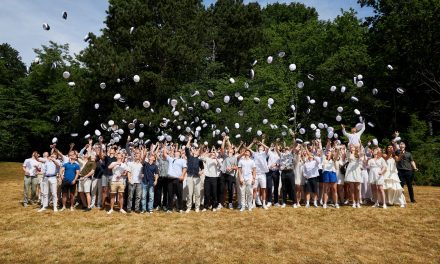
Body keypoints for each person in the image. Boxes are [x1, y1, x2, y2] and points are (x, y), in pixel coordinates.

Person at [163, 145, 187, 213]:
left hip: (178, 179)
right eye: (175, 152)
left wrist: (182, 176)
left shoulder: (182, 160)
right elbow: (164, 154)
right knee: (170, 194)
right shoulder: (171, 159)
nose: (176, 153)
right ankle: (169, 209)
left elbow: (185, 168)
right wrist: (165, 147)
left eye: (178, 152)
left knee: (179, 194)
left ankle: (180, 208)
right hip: (170, 179)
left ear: (180, 154)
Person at [219, 136, 238, 209]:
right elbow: (222, 148)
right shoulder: (225, 156)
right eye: (229, 149)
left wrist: (231, 168)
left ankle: (230, 203)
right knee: (222, 189)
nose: (230, 149)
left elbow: (236, 167)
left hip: (230, 175)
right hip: (223, 174)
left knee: (230, 189)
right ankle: (221, 203)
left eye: (231, 149)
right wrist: (224, 140)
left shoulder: (235, 158)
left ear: (233, 151)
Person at [185, 136, 202, 212]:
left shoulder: (199, 160)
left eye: (197, 150)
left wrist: (201, 172)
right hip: (189, 176)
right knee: (189, 193)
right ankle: (188, 207)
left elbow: (203, 168)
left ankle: (197, 207)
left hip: (197, 177)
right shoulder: (189, 157)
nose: (195, 150)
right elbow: (186, 149)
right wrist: (189, 140)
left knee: (197, 193)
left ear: (198, 153)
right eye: (194, 149)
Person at [200, 147, 221, 212]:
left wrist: (216, 157)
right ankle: (205, 207)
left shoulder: (217, 160)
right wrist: (207, 153)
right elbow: (201, 157)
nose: (212, 154)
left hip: (214, 178)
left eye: (214, 154)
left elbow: (220, 165)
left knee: (214, 193)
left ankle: (214, 206)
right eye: (212, 154)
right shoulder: (207, 159)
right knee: (206, 193)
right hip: (207, 178)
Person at [266, 142, 280, 207]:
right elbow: (267, 148)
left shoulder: (279, 154)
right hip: (269, 171)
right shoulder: (270, 152)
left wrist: (276, 164)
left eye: (276, 147)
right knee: (269, 187)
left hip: (276, 172)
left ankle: (276, 202)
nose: (275, 147)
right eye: (274, 146)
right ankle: (269, 201)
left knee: (276, 187)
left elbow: (282, 163)